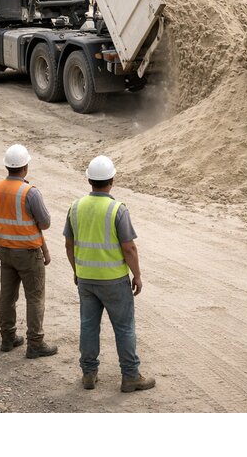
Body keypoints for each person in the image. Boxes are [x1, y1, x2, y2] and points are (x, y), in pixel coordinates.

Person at [64, 155, 155, 392]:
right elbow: (129, 247)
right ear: (112, 180)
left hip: (86, 279)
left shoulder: (75, 207)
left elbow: (68, 244)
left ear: (89, 180)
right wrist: (137, 275)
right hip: (114, 281)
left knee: (88, 326)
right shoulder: (117, 210)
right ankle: (130, 376)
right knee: (124, 327)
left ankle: (88, 374)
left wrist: (76, 270)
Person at [0, 144, 57, 358]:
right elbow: (44, 223)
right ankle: (35, 343)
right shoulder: (30, 192)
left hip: (6, 252)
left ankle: (7, 338)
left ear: (7, 166)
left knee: (7, 296)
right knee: (35, 298)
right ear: (25, 167)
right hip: (28, 253)